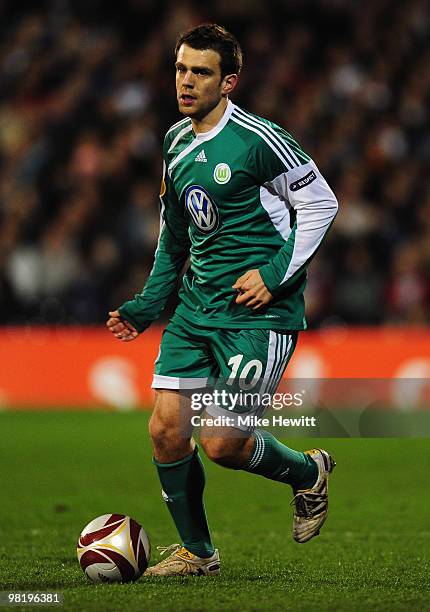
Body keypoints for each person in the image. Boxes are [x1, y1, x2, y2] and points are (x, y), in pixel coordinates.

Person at [106, 23, 338, 577]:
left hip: (258, 314)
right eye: (181, 68)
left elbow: (322, 204)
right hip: (195, 310)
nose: (186, 81)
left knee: (223, 441)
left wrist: (276, 275)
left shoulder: (259, 140)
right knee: (165, 430)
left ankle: (308, 474)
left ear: (228, 81)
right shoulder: (175, 141)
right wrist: (146, 304)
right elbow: (176, 234)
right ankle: (198, 554)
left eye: (201, 72)